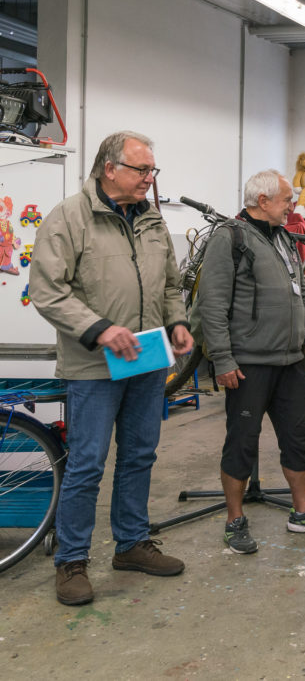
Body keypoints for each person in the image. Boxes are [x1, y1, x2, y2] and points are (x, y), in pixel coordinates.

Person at [29, 131, 194, 606]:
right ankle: (72, 561)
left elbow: (169, 283)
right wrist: (99, 328)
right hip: (93, 364)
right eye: (142, 170)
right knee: (86, 464)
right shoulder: (70, 217)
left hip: (145, 358)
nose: (149, 178)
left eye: (152, 171)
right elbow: (47, 290)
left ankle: (131, 544)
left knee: (140, 454)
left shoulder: (151, 219)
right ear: (110, 169)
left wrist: (177, 322)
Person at [195, 169, 305, 555]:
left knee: (298, 439)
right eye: (285, 200)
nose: (292, 206)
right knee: (242, 442)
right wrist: (223, 360)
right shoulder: (229, 239)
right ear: (262, 202)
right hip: (248, 364)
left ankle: (303, 513)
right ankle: (235, 520)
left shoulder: (285, 239)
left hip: (290, 361)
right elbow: (211, 306)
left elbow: (303, 292)